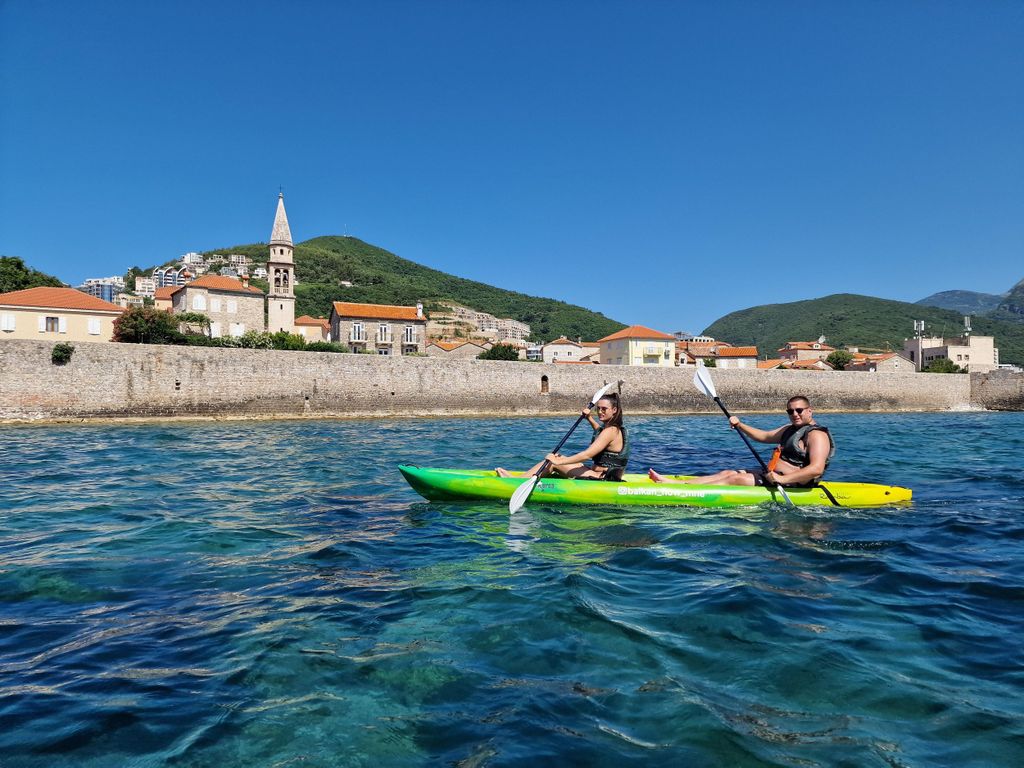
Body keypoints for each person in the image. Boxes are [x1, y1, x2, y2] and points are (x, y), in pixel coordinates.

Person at [648, 395, 834, 487]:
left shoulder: (817, 435)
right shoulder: (790, 429)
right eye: (790, 411)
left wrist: (782, 478)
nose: (794, 414)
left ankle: (685, 493)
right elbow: (763, 436)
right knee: (728, 471)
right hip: (772, 476)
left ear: (810, 410)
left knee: (734, 479)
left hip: (793, 484)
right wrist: (740, 424)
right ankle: (677, 485)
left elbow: (816, 469)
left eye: (799, 410)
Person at [496, 393, 629, 481]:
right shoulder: (613, 428)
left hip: (602, 478)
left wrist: (559, 463)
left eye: (604, 409)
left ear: (614, 410)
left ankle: (517, 482)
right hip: (603, 474)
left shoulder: (610, 431)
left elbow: (587, 455)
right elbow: (600, 434)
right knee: (558, 456)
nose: (600, 412)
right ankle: (524, 477)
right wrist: (589, 418)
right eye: (598, 408)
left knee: (552, 462)